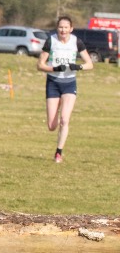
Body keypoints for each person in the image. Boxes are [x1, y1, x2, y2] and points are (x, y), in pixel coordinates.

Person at [36, 16, 93, 163]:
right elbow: (40, 65)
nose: (63, 30)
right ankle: (58, 103)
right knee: (51, 126)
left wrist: (78, 66)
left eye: (66, 27)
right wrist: (53, 68)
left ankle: (58, 153)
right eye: (61, 27)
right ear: (57, 28)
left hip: (69, 84)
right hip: (53, 83)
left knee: (64, 120)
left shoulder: (76, 42)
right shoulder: (51, 41)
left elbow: (90, 64)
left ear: (71, 29)